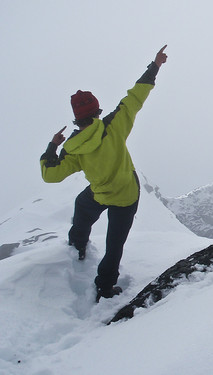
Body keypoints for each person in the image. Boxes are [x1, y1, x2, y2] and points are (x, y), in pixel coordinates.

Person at [40, 45, 168, 302]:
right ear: (97, 111)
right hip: (127, 194)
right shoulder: (114, 124)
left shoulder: (72, 148)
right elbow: (136, 96)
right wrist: (155, 66)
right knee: (114, 245)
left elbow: (50, 175)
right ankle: (105, 288)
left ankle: (77, 246)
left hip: (100, 194)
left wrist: (52, 146)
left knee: (82, 206)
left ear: (77, 118)